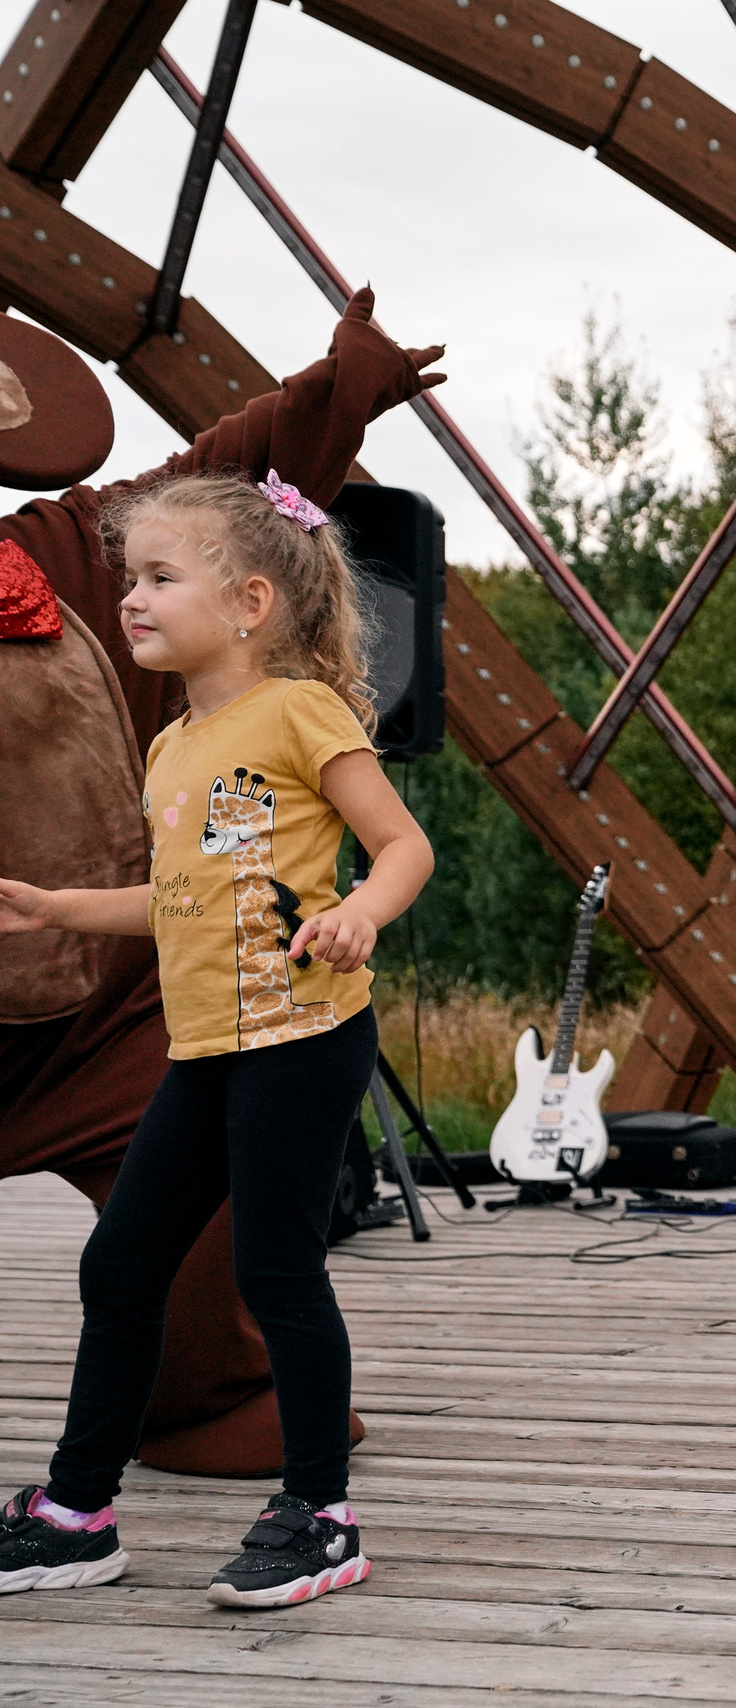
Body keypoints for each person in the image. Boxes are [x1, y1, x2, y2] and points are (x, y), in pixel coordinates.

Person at [0, 292, 442, 1478]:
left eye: (160, 582)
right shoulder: (178, 737)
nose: (141, 593)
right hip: (124, 971)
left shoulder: (64, 565)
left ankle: (228, 1428)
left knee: (215, 1262)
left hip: (123, 1018)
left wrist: (335, 386)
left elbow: (216, 488)